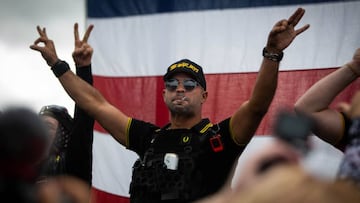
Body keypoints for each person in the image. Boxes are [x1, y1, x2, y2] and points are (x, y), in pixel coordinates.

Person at [30, 8, 309, 202]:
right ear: (164, 94)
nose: (180, 89)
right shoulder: (149, 138)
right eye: (173, 84)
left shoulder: (219, 139)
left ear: (204, 96)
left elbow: (257, 105)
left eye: (190, 85)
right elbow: (95, 103)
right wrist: (58, 65)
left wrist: (272, 53)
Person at [36, 23, 95, 186]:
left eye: (47, 126)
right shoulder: (24, 169)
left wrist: (82, 69)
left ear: (64, 134)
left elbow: (85, 113)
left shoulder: (73, 163)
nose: (40, 132)